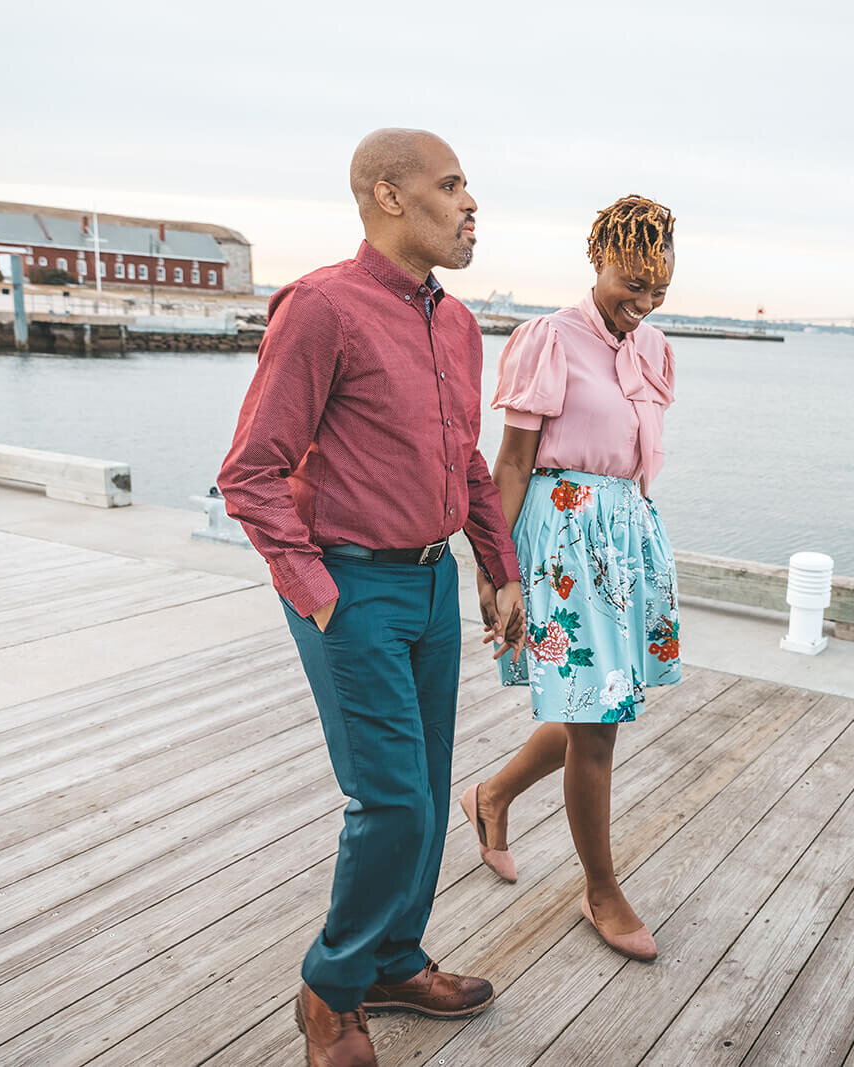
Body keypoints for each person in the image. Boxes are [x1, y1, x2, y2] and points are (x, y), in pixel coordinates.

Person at [218, 128, 526, 1067]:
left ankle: (395, 957)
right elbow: (251, 475)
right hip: (351, 587)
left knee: (428, 794)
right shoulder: (321, 308)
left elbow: (463, 459)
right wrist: (319, 596)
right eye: (451, 185)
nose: (472, 205)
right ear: (388, 197)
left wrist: (498, 564)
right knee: (391, 800)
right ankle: (332, 987)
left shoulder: (462, 324)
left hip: (433, 583)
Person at [461, 195, 681, 963]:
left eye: (658, 287)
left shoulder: (653, 348)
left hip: (624, 543)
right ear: (600, 260)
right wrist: (496, 568)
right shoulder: (548, 339)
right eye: (633, 280)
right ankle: (602, 890)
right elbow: (513, 462)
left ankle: (489, 797)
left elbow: (635, 460)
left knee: (601, 706)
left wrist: (641, 552)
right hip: (560, 540)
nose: (644, 301)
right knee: (597, 723)